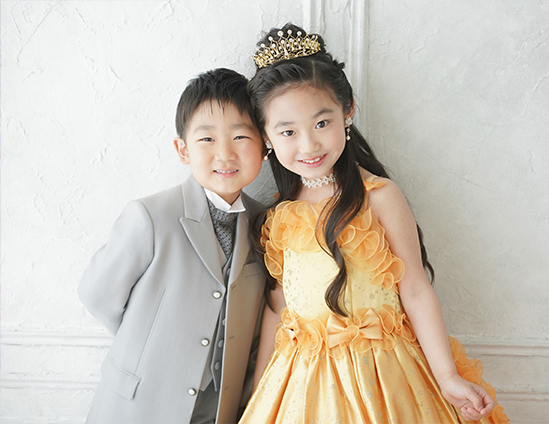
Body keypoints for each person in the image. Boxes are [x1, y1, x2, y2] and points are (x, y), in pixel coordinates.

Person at [238, 24, 510, 424]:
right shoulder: (279, 214)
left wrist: (447, 376)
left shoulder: (379, 197)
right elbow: (278, 309)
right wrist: (260, 392)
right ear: (266, 136)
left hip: (382, 376)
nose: (309, 145)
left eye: (321, 123)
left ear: (347, 110)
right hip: (302, 382)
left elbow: (415, 289)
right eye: (288, 132)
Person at [78, 68, 266, 424]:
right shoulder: (150, 216)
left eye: (241, 136)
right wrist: (150, 342)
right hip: (139, 405)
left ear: (264, 146)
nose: (225, 154)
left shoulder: (265, 223)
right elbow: (97, 295)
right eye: (207, 139)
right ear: (183, 150)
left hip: (219, 410)